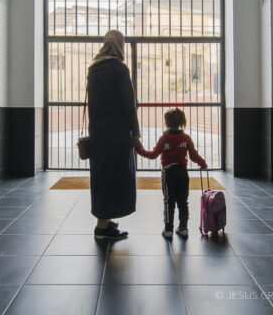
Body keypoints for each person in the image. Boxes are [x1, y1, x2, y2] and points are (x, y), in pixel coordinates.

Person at [87, 29, 141, 240]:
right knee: (115, 178)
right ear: (120, 45)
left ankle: (105, 223)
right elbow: (129, 105)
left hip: (98, 134)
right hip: (117, 134)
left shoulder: (93, 69)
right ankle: (102, 227)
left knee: (101, 176)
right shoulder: (119, 69)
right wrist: (135, 132)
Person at [135, 107, 207, 239]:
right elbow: (193, 155)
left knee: (169, 201)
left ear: (167, 123)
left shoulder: (164, 138)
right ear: (181, 122)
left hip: (168, 173)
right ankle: (183, 227)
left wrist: (139, 149)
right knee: (183, 201)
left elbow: (153, 155)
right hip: (182, 172)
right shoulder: (186, 138)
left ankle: (168, 229)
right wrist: (202, 163)